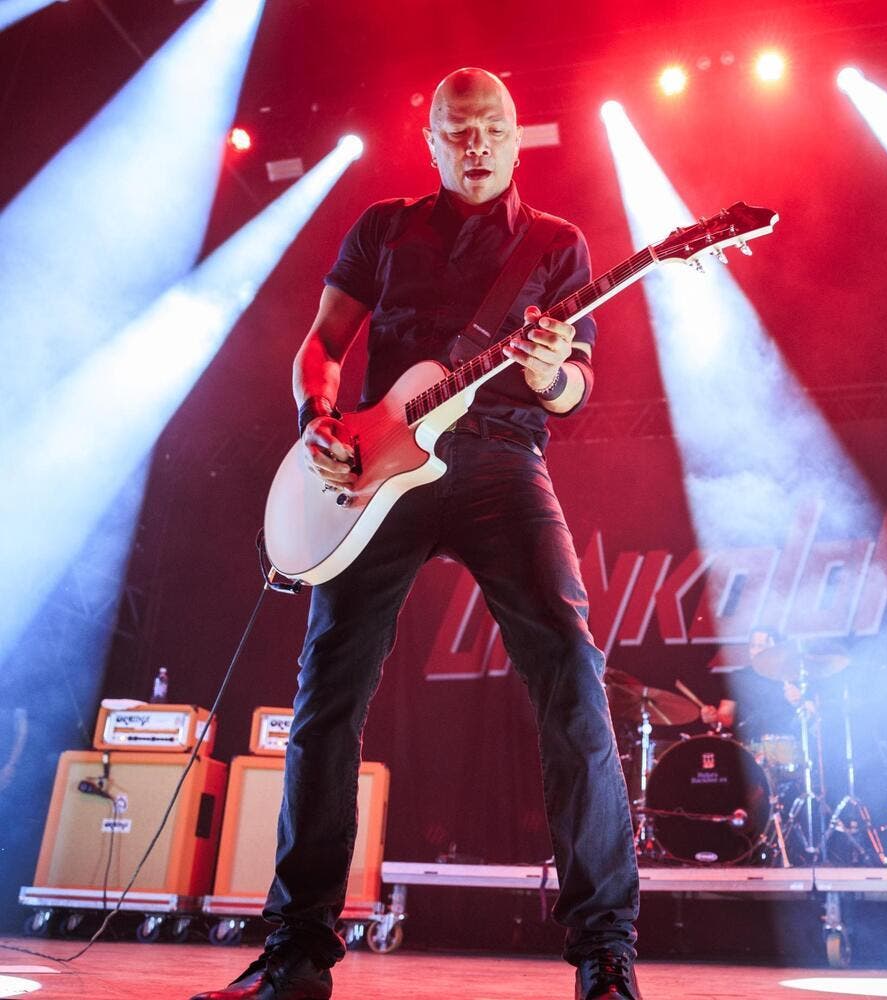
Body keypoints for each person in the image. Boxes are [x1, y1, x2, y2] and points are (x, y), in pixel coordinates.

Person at [191, 68, 641, 1000]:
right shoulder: (384, 229)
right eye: (458, 130)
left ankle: (605, 955)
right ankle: (296, 953)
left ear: (518, 134)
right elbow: (324, 344)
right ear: (429, 139)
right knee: (326, 697)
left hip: (502, 462)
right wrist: (319, 416)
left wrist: (550, 372)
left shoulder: (556, 244)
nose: (476, 145)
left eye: (492, 128)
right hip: (378, 470)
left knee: (572, 676)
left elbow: (576, 390)